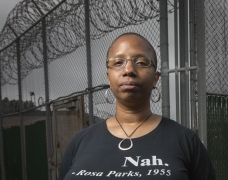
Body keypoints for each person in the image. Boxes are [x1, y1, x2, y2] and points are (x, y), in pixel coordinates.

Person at [58, 33, 216, 179]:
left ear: (155, 78)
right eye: (118, 62)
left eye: (141, 62)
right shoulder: (80, 142)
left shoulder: (186, 142)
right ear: (108, 77)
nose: (128, 70)